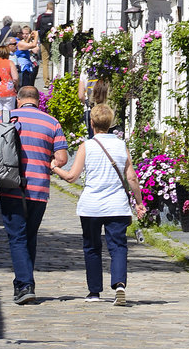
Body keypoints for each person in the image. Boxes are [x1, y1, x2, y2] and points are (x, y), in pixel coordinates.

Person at [52, 100, 145, 304]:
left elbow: (71, 177)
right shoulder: (121, 145)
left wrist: (54, 168)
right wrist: (139, 202)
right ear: (110, 123)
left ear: (92, 123)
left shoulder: (87, 146)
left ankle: (94, 292)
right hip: (117, 206)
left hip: (91, 206)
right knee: (118, 246)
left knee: (92, 247)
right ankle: (119, 284)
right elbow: (132, 178)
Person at [0, 84, 68, 304]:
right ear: (38, 101)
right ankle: (23, 283)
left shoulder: (6, 118)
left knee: (17, 237)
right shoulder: (52, 122)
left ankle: (25, 284)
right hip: (39, 188)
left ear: (18, 100)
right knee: (29, 236)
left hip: (11, 185)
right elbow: (62, 159)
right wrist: (45, 163)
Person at [0, 40, 18, 124]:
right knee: (8, 114)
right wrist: (15, 87)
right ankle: (7, 130)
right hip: (8, 91)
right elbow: (15, 78)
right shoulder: (10, 63)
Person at [34, 1, 55, 85]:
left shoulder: (41, 17)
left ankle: (46, 82)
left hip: (44, 41)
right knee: (55, 59)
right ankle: (55, 79)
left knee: (45, 61)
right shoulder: (54, 17)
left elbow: (37, 28)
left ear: (46, 7)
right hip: (54, 40)